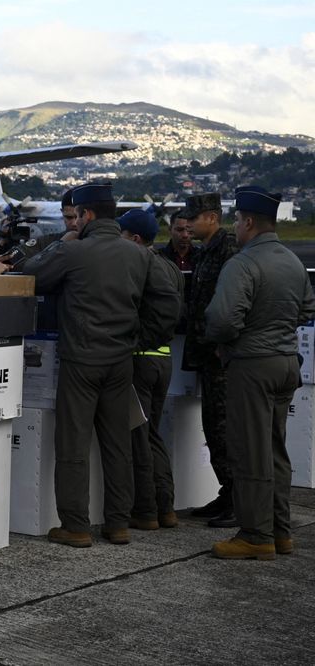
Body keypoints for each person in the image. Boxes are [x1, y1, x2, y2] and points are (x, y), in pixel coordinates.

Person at [18, 182, 163, 548]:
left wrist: (59, 244)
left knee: (73, 445)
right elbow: (167, 304)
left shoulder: (75, 252)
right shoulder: (140, 255)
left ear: (86, 214)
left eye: (77, 215)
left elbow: (30, 275)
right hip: (120, 361)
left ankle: (76, 525)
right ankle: (118, 524)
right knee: (117, 445)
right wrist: (139, 340)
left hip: (80, 360)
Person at [205, 186, 315, 560]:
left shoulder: (243, 263)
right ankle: (280, 531)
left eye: (236, 220)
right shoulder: (291, 261)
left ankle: (255, 534)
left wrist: (230, 340)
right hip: (286, 362)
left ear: (249, 222)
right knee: (275, 451)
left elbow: (221, 320)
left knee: (249, 452)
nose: (234, 227)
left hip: (252, 364)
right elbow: (306, 308)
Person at [117, 209, 184, 531]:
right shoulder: (170, 267)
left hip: (140, 359)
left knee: (137, 439)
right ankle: (166, 507)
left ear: (135, 239)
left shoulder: (137, 265)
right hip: (164, 360)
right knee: (154, 435)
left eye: (121, 235)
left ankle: (144, 510)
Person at [180, 192, 239, 527]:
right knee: (213, 427)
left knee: (223, 427)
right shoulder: (206, 252)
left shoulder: (229, 250)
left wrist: (221, 343)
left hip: (221, 357)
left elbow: (230, 303)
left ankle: (237, 498)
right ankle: (227, 492)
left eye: (194, 216)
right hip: (206, 354)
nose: (187, 223)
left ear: (213, 217)